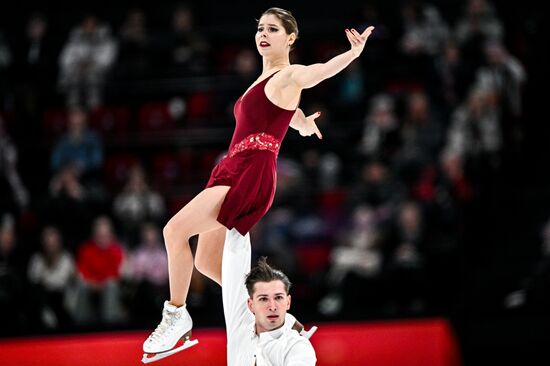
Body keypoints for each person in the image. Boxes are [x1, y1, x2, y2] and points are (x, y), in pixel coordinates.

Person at [142, 7, 374, 359]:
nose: (263, 33)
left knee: (174, 231)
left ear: (291, 38)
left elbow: (317, 73)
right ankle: (273, 311)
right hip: (233, 167)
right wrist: (301, 124)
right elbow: (285, 113)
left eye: (273, 29)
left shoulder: (288, 74)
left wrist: (351, 54)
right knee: (205, 261)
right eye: (260, 28)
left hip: (249, 170)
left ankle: (176, 315)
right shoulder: (266, 81)